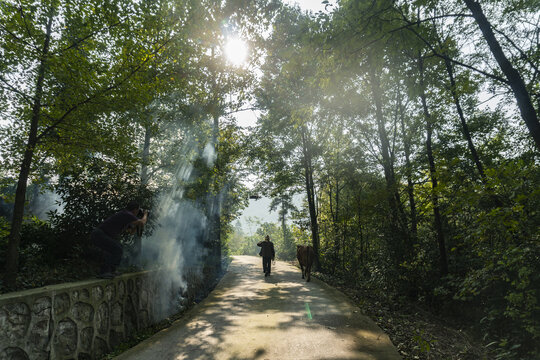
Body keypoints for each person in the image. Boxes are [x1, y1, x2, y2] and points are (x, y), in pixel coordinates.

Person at [91, 201, 148, 279]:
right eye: (138, 210)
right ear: (135, 210)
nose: (138, 212)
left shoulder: (126, 216)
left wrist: (137, 225)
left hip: (101, 235)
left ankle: (111, 271)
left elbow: (131, 232)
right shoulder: (127, 214)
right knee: (117, 249)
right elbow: (142, 222)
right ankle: (104, 272)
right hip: (100, 234)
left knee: (117, 248)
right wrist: (145, 214)